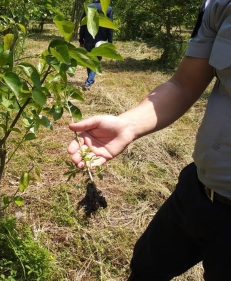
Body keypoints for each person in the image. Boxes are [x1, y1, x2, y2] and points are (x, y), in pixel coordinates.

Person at [68, 0, 231, 279]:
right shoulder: (221, 5)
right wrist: (128, 125)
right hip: (197, 188)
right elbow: (184, 83)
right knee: (145, 268)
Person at [79, 0, 113, 91]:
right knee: (96, 61)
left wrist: (81, 39)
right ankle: (88, 82)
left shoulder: (88, 7)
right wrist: (110, 41)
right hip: (100, 40)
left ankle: (89, 80)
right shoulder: (108, 9)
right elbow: (110, 27)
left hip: (88, 38)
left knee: (89, 59)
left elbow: (82, 24)